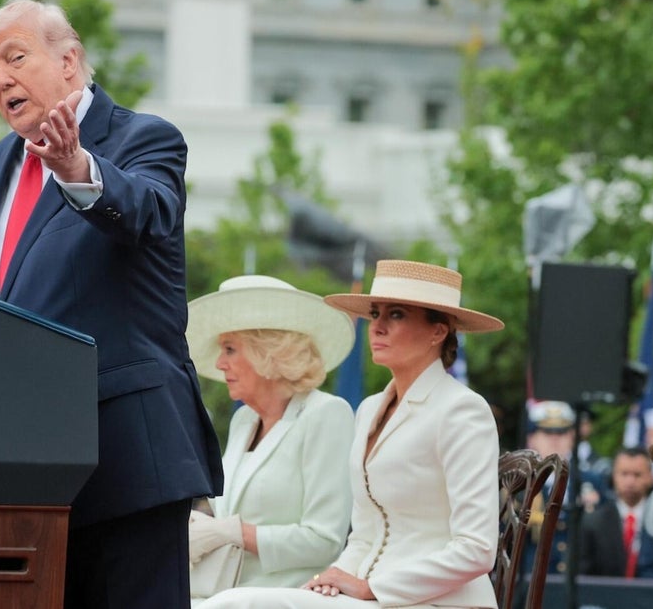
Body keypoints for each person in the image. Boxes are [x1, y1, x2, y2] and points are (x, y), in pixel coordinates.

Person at [0, 0, 222, 609]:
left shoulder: (145, 138)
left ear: (69, 60)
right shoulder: (1, 162)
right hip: (38, 465)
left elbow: (149, 213)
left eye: (14, 57)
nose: (1, 79)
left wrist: (77, 168)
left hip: (129, 455)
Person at [202, 259, 505, 608]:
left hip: (439, 602)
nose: (376, 328)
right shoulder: (369, 410)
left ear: (438, 332)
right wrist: (328, 582)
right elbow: (363, 535)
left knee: (237, 604)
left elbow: (477, 550)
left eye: (397, 315)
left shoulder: (462, 409)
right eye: (376, 314)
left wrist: (373, 587)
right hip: (370, 596)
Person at [185, 275, 357, 603]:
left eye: (230, 349)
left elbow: (325, 539)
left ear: (269, 354)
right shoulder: (244, 420)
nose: (220, 364)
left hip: (291, 596)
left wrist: (236, 533)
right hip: (225, 593)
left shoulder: (327, 414)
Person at [520, 399, 604, 582]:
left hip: (580, 579)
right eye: (546, 432)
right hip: (529, 581)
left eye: (562, 432)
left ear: (573, 436)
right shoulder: (519, 484)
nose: (555, 438)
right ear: (532, 438)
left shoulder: (592, 481)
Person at [578, 447, 653, 578]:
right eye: (624, 474)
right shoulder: (593, 522)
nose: (630, 482)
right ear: (613, 476)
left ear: (651, 477)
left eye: (637, 475)